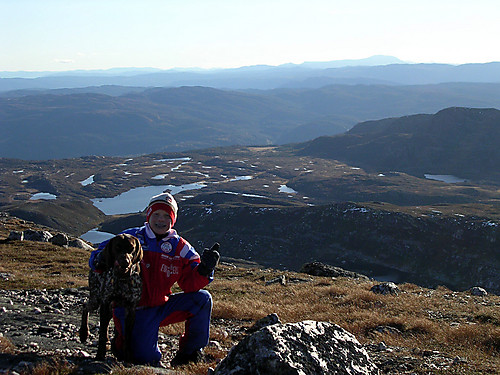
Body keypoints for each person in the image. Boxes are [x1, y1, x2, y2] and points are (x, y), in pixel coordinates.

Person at [88, 192, 220, 367]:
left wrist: (205, 269)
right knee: (147, 360)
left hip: (161, 306)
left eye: (166, 216)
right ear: (149, 215)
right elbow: (100, 253)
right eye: (156, 214)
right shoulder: (132, 238)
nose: (160, 220)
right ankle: (121, 343)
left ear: (173, 220)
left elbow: (189, 284)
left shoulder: (180, 247)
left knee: (203, 299)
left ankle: (189, 354)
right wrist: (99, 260)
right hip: (131, 311)